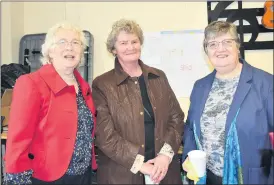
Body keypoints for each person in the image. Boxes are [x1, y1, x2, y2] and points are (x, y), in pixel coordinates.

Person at [92, 19, 184, 184]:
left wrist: (165, 155)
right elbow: (105, 135)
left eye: (134, 41)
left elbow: (176, 117)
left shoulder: (158, 77)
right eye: (123, 43)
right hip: (122, 175)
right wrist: (140, 164)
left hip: (163, 171)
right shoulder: (102, 84)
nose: (130, 47)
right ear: (114, 49)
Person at [4, 22, 97, 184]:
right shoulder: (31, 83)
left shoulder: (83, 87)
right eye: (62, 42)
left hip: (83, 175)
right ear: (50, 51)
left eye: (75, 42)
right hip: (48, 177)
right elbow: (18, 139)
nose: (69, 47)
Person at [182, 20, 273, 184]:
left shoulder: (265, 84)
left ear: (237, 46)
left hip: (251, 178)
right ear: (206, 51)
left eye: (227, 42)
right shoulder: (200, 86)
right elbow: (190, 126)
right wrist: (189, 155)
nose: (220, 49)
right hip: (208, 177)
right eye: (213, 44)